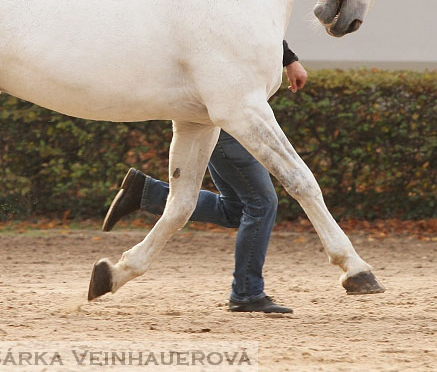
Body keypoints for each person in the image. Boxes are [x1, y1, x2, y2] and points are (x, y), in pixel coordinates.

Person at [101, 41, 307, 314]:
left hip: (224, 118)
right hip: (229, 122)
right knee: (261, 204)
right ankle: (247, 292)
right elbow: (242, 19)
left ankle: (148, 194)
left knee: (236, 210)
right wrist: (290, 59)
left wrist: (289, 60)